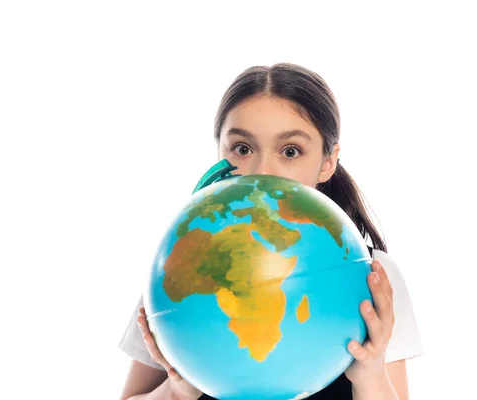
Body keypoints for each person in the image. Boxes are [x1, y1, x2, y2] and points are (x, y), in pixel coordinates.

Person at [118, 63, 423, 400]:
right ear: (219, 152)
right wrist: (179, 387)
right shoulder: (178, 264)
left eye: (290, 151)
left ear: (327, 161)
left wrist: (370, 374)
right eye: (242, 149)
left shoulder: (373, 275)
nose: (262, 171)